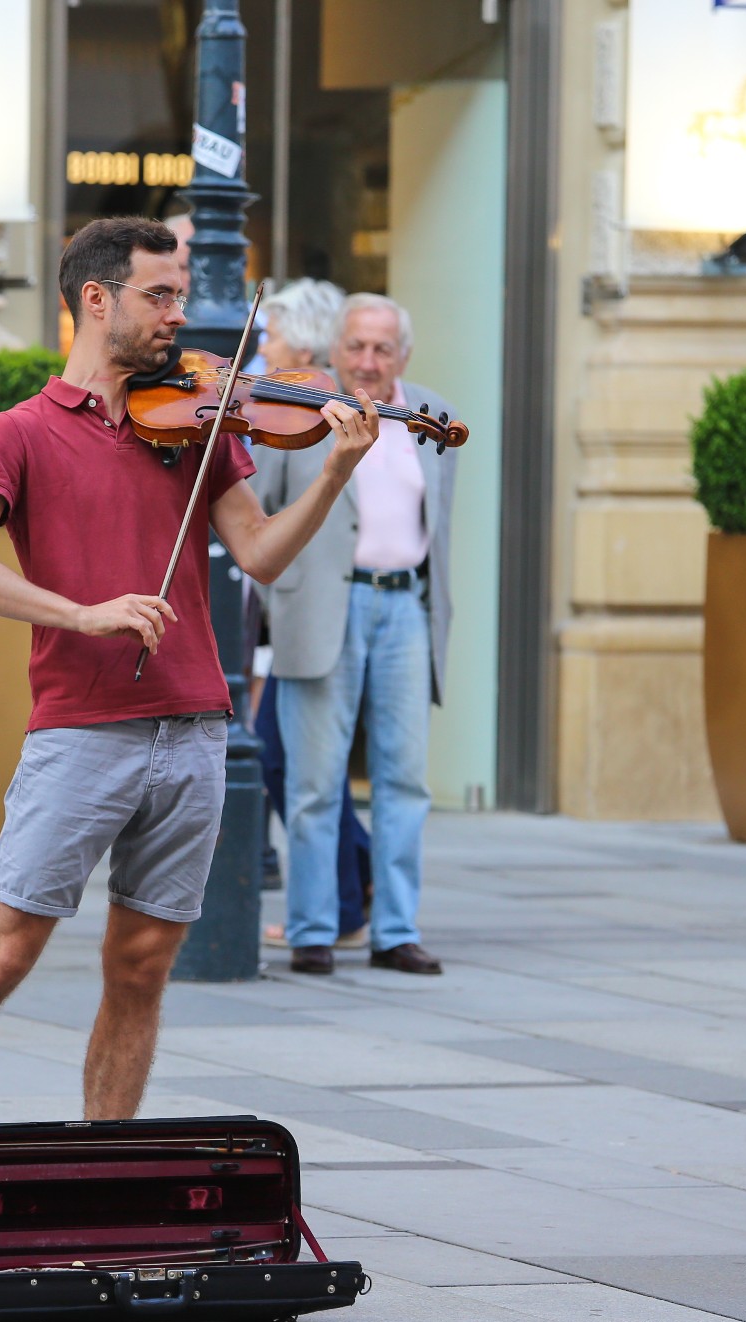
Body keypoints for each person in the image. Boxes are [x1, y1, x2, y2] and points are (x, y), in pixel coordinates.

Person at [0, 218, 379, 1133]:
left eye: (181, 295)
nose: (178, 315)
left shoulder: (195, 421)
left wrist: (335, 472)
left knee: (142, 964)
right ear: (96, 300)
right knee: (5, 952)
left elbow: (261, 554)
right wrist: (82, 612)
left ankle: (100, 1164)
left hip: (192, 726)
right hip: (81, 728)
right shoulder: (16, 433)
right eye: (160, 295)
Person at [251, 293, 457, 977]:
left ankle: (395, 929)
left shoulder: (430, 414)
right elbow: (259, 517)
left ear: (403, 355)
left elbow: (440, 527)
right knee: (314, 781)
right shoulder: (302, 410)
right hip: (321, 610)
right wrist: (274, 604)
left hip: (404, 607)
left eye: (382, 348)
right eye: (356, 347)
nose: (368, 362)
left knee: (404, 780)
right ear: (335, 350)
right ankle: (313, 929)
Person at [247, 278, 372, 957]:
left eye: (270, 335)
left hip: (315, 607)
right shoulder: (290, 401)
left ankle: (340, 900)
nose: (262, 348)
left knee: (291, 764)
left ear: (300, 341)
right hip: (302, 607)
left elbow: (257, 495)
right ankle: (349, 893)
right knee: (304, 767)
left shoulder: (302, 405)